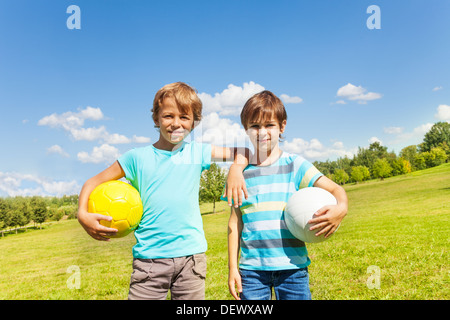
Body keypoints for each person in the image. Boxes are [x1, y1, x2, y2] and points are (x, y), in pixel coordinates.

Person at [78, 82, 249, 300]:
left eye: (184, 117)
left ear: (194, 123)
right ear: (156, 118)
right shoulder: (135, 158)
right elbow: (92, 182)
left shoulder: (197, 152)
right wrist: (82, 214)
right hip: (149, 263)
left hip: (191, 260)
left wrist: (235, 169)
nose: (176, 123)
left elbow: (243, 152)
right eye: (168, 116)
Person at [226, 90, 348, 300]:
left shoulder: (295, 165)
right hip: (251, 272)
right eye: (255, 126)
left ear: (282, 126)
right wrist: (232, 269)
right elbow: (234, 223)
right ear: (246, 129)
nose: (261, 132)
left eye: (269, 125)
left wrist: (342, 208)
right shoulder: (240, 174)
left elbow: (336, 190)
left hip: (293, 268)